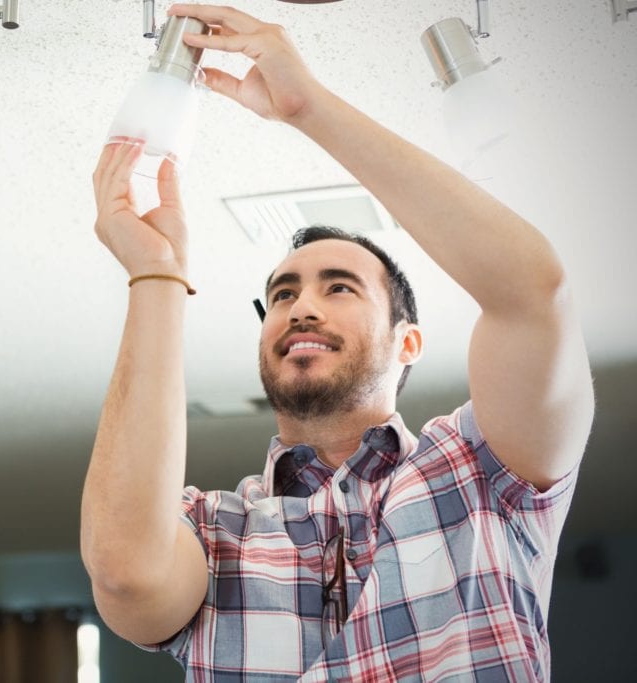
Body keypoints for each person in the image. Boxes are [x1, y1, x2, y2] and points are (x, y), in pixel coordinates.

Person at [81, 3, 594, 681]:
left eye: (341, 287)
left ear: (408, 341)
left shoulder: (482, 472)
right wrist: (157, 274)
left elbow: (534, 294)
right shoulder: (211, 532)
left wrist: (307, 106)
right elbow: (124, 573)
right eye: (284, 293)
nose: (302, 307)